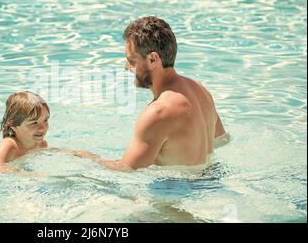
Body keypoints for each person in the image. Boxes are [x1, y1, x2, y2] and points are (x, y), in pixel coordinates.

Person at [72, 16, 230, 171]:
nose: (127, 67)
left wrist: (86, 157)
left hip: (176, 191)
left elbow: (126, 170)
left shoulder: (158, 112)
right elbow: (222, 140)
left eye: (132, 60)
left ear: (153, 59)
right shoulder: (200, 90)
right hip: (210, 179)